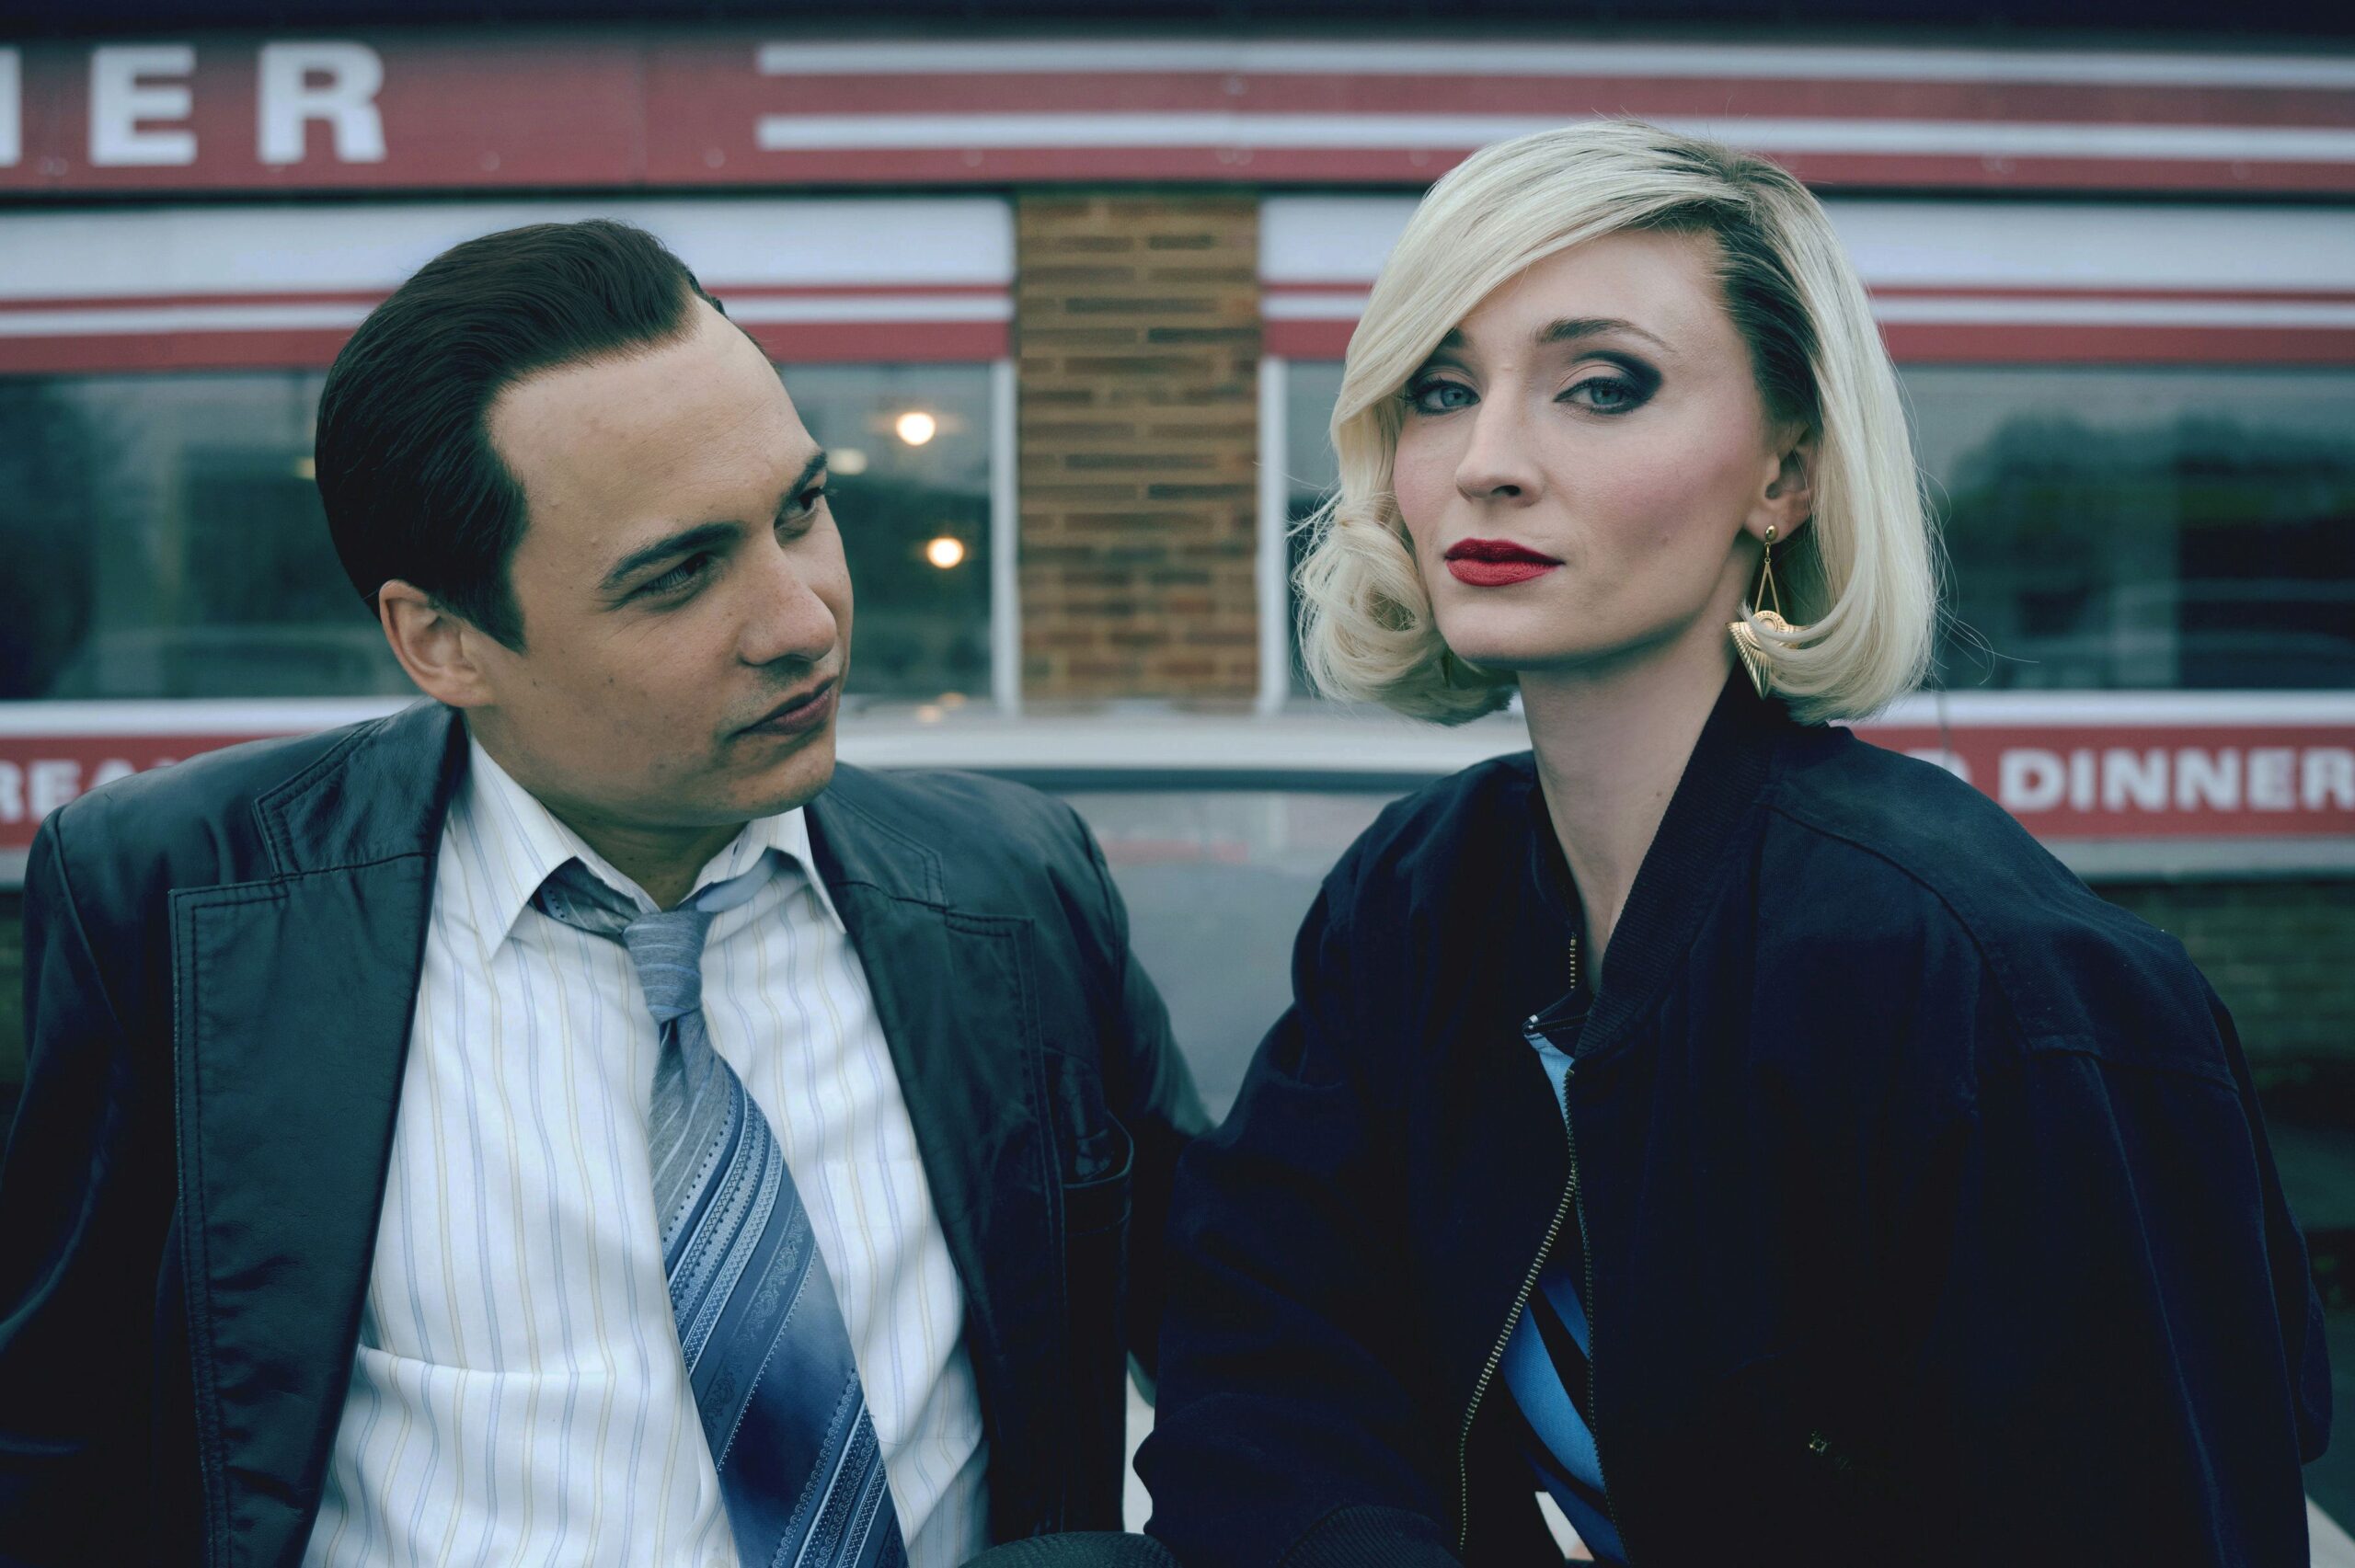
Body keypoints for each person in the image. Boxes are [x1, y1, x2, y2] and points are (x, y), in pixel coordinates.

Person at [1137, 121, 2328, 1567]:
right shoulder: (1419, 894)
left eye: (1603, 386)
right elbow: (1262, 1352)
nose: (1487, 462)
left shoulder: (1993, 987)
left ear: (1786, 474)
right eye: (1441, 391)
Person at [0, 220, 1200, 1568]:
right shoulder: (184, 898)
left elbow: (1245, 1343)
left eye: (802, 509)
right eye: (680, 573)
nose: (804, 619)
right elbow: (57, 1448)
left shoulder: (1013, 885)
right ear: (442, 640)